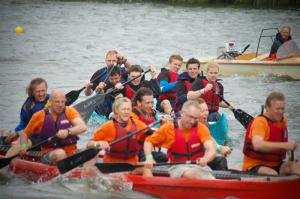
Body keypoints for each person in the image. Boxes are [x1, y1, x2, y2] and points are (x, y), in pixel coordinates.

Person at [143, 100, 216, 178]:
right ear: (182, 113)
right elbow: (148, 142)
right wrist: (149, 158)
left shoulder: (201, 128)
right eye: (190, 117)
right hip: (177, 167)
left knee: (209, 176)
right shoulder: (169, 128)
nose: (192, 121)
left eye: (195, 118)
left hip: (199, 167)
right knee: (192, 174)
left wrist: (206, 159)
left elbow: (211, 148)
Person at [19, 89, 87, 165]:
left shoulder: (70, 111)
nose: (60, 105)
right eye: (57, 102)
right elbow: (24, 134)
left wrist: (68, 131)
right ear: (50, 102)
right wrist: (23, 146)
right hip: (48, 154)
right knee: (60, 153)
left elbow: (82, 127)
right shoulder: (39, 116)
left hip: (71, 152)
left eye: (62, 102)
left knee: (90, 149)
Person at [87, 97, 151, 174]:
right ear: (117, 111)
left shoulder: (138, 124)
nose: (126, 112)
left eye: (128, 109)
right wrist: (98, 143)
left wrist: (164, 124)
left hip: (132, 165)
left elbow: (155, 135)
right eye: (124, 109)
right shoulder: (108, 127)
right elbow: (89, 145)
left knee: (147, 169)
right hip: (111, 166)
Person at [242, 92, 300, 176]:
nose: (281, 112)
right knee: (272, 174)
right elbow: (257, 144)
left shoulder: (283, 121)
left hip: (276, 164)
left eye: (282, 109)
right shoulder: (260, 122)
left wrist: (291, 154)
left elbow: (284, 143)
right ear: (267, 108)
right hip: (255, 166)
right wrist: (284, 145)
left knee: (295, 167)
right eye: (277, 109)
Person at [5, 78, 51, 157]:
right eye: (38, 91)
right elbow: (23, 122)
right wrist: (16, 132)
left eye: (43, 90)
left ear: (46, 90)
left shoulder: (52, 100)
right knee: (23, 142)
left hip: (50, 137)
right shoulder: (28, 105)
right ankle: (6, 159)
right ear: (32, 92)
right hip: (35, 138)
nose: (41, 94)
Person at [131, 87, 168, 162]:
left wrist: (163, 126)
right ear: (138, 102)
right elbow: (145, 131)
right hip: (135, 151)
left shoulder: (151, 114)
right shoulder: (132, 114)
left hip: (147, 150)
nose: (150, 105)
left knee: (164, 158)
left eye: (152, 102)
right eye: (147, 103)